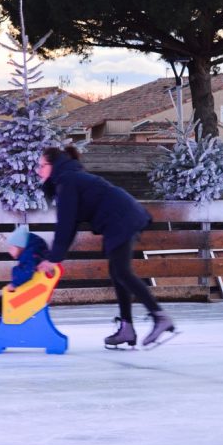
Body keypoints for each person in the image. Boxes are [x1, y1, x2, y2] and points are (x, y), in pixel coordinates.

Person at [35, 146, 175, 348]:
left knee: (123, 272)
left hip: (121, 218)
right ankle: (127, 327)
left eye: (42, 166)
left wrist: (54, 258)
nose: (39, 171)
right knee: (117, 272)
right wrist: (56, 255)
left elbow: (66, 224)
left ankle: (159, 316)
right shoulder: (68, 179)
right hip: (120, 218)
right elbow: (71, 224)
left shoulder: (67, 181)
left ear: (53, 165)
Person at [0, 224, 48, 344]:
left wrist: (14, 284)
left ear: (20, 246)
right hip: (34, 291)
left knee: (2, 300)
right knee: (2, 299)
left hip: (32, 295)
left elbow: (28, 272)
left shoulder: (30, 256)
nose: (9, 251)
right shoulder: (30, 253)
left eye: (11, 248)